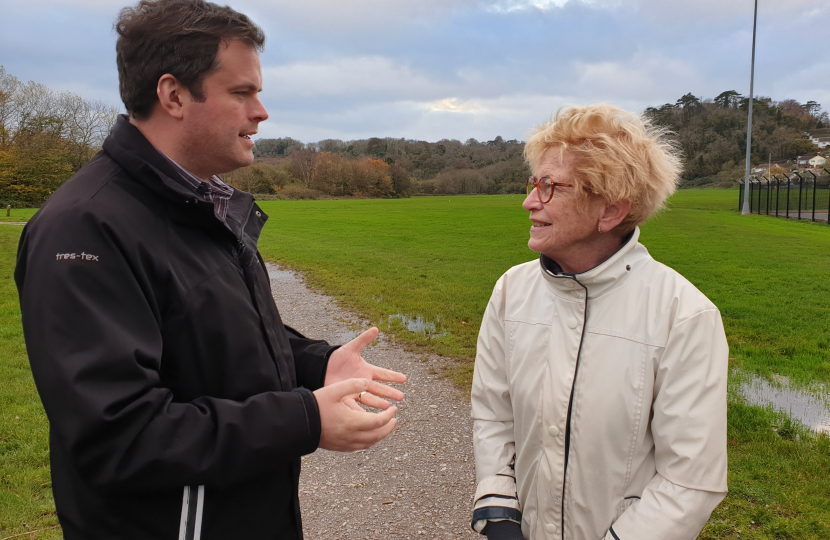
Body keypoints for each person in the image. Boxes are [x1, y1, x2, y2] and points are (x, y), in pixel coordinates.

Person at [14, 1, 406, 538]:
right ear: (173, 95)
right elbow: (119, 435)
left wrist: (319, 364)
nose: (262, 112)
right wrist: (305, 418)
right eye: (242, 92)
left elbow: (217, 338)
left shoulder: (200, 203)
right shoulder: (84, 228)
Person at [470, 104, 728, 540]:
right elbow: (494, 413)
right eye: (534, 183)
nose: (529, 201)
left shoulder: (684, 315)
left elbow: (690, 480)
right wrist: (497, 504)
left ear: (610, 211)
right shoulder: (511, 290)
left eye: (551, 187)